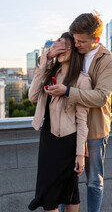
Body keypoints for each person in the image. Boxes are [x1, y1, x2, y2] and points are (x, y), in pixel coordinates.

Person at [46, 13, 112, 212]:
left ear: (96, 39)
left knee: (94, 180)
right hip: (70, 128)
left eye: (81, 41)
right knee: (65, 178)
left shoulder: (109, 61)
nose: (76, 44)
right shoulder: (75, 50)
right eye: (74, 39)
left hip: (95, 129)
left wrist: (68, 92)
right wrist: (47, 55)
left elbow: (101, 97)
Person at [28, 32, 92, 212]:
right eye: (59, 45)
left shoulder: (81, 79)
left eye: (67, 46)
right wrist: (45, 59)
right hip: (48, 140)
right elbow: (32, 96)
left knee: (70, 193)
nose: (62, 49)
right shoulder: (49, 73)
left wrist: (80, 154)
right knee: (48, 198)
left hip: (68, 142)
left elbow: (82, 119)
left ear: (75, 50)